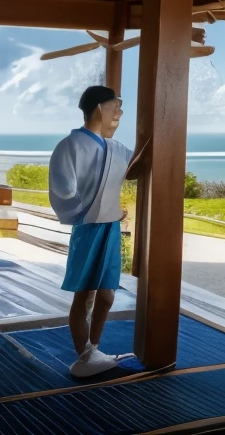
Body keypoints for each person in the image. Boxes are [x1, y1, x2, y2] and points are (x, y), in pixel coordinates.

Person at [49, 85, 150, 378]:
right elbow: (62, 191)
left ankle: (93, 349)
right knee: (86, 295)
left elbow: (134, 168)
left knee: (106, 296)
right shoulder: (71, 145)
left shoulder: (115, 148)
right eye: (115, 106)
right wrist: (99, 210)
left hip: (110, 228)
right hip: (88, 229)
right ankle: (84, 355)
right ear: (98, 109)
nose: (119, 112)